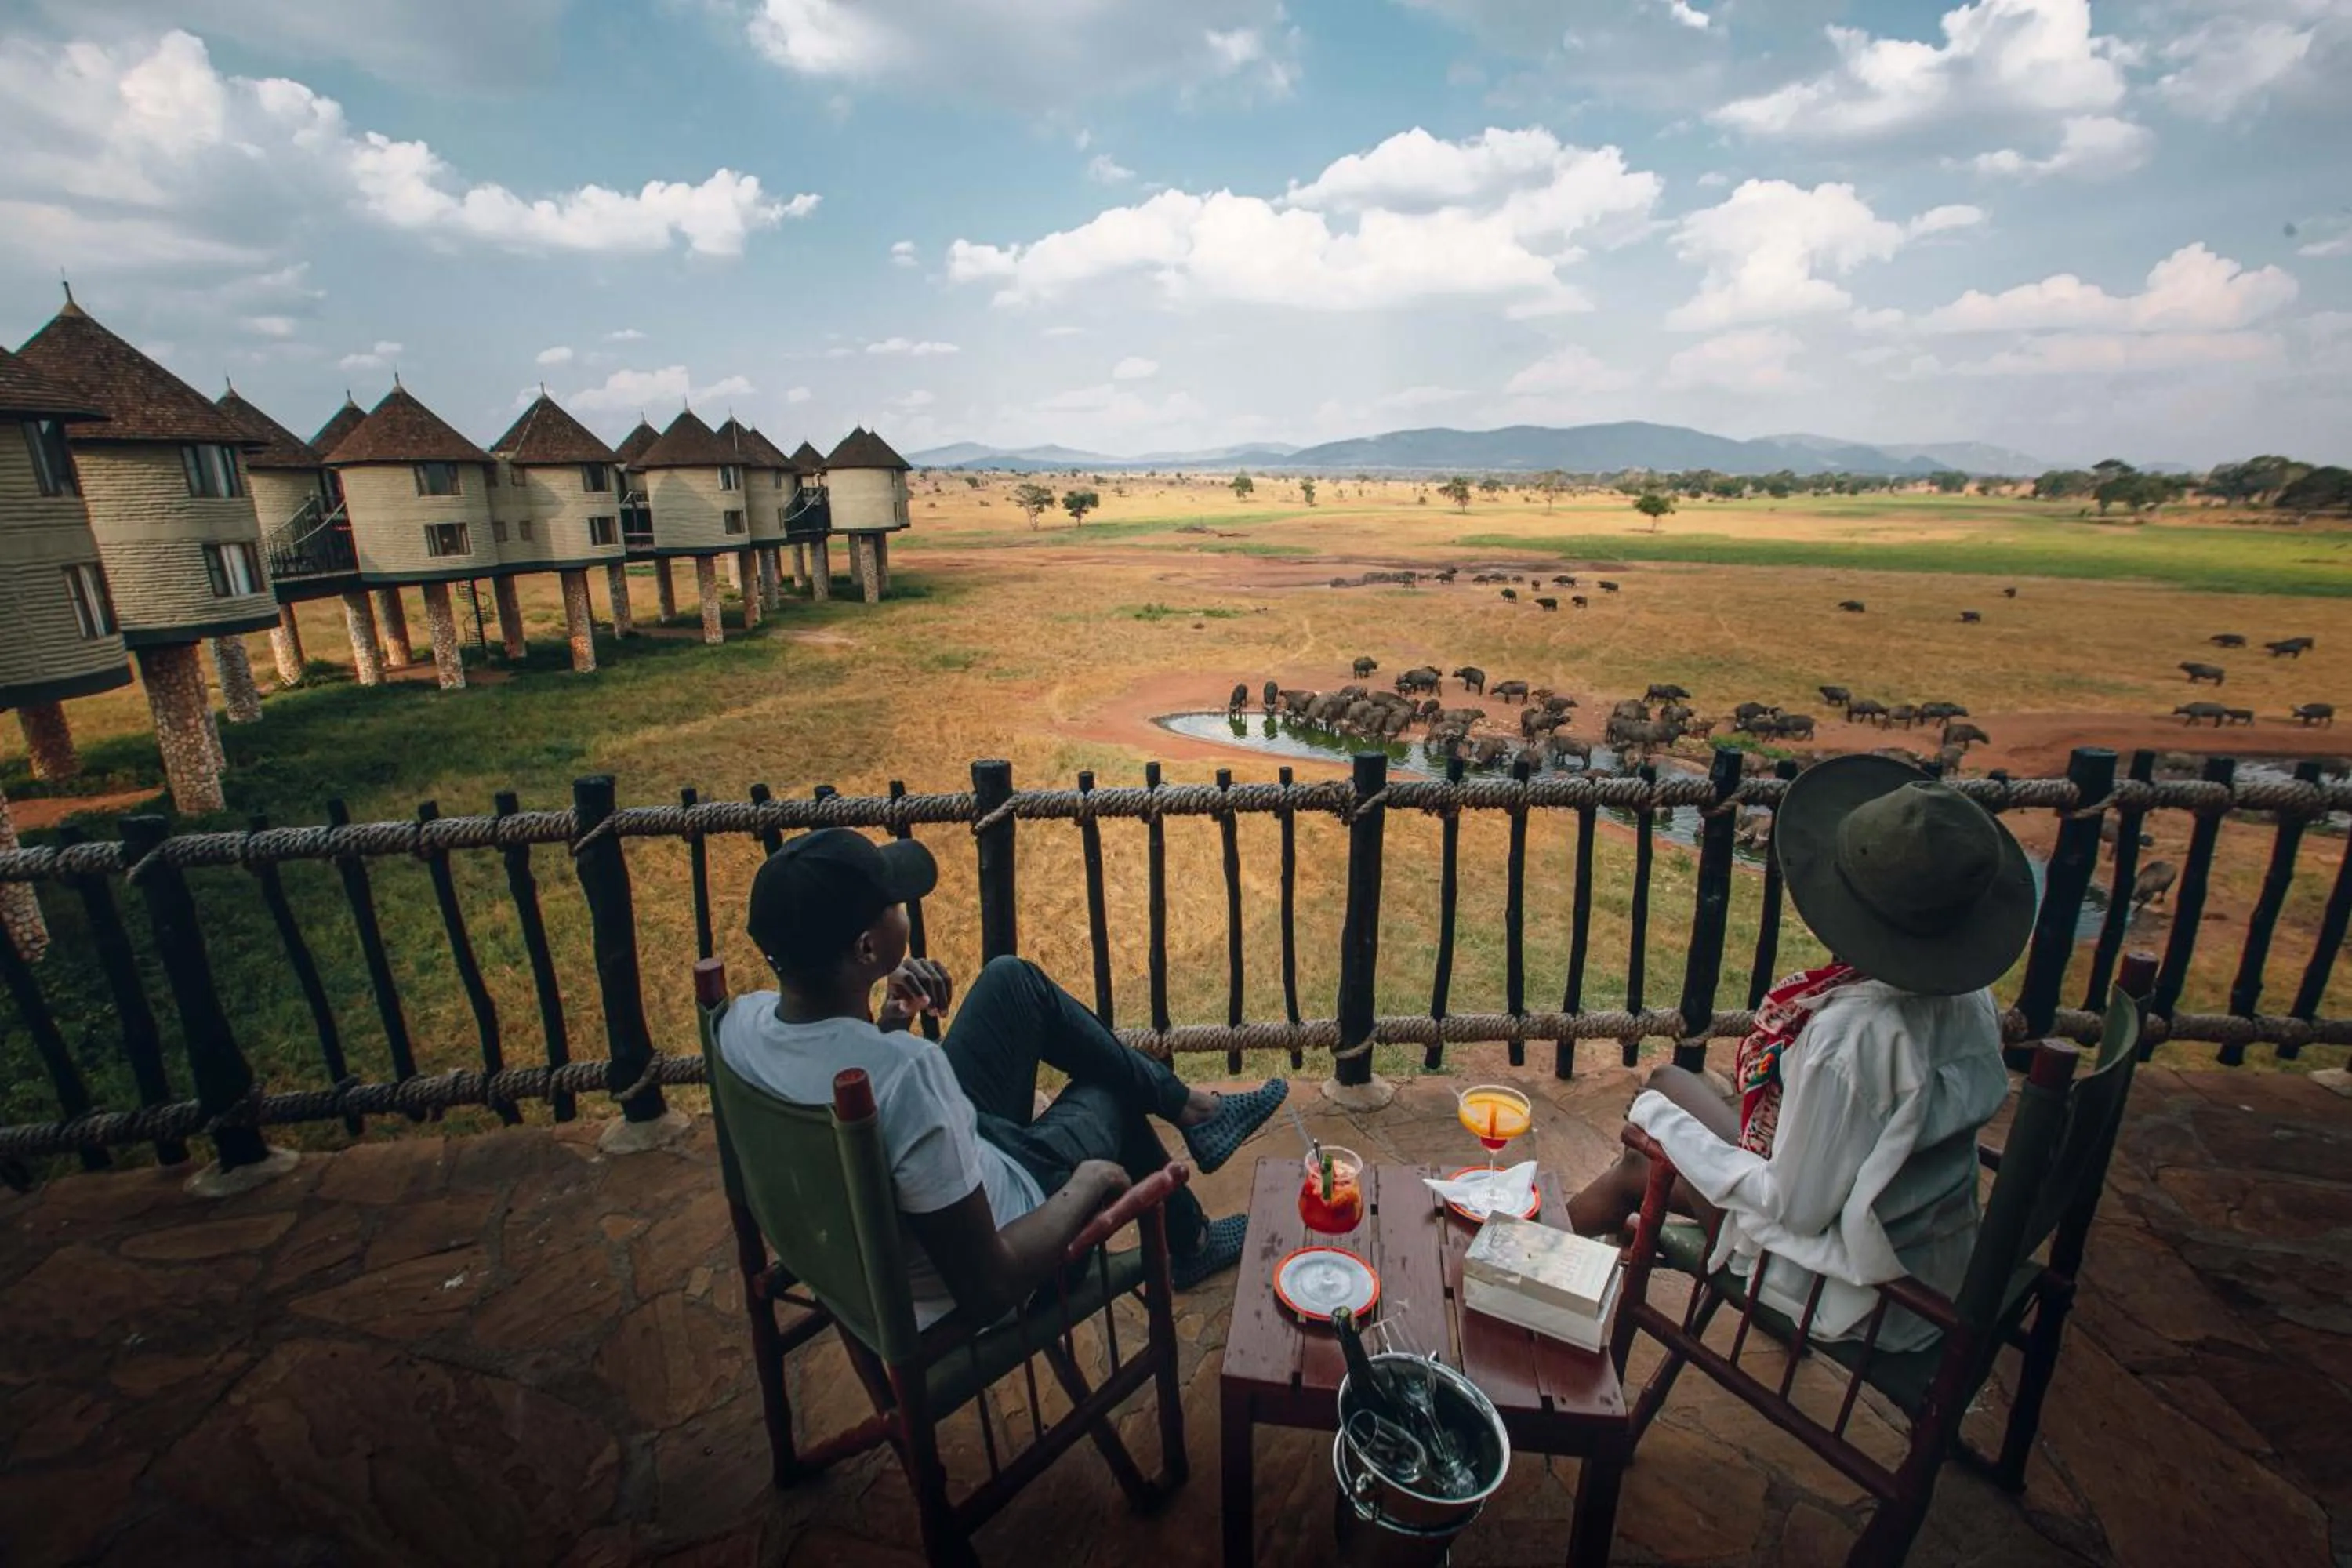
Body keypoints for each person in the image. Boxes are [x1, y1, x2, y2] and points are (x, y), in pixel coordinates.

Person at [717, 826, 1288, 1332]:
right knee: (1111, 1089)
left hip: (920, 1202)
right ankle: (1190, 1228)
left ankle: (1195, 1113)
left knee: (1010, 980)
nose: (903, 906)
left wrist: (887, 1024)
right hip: (1006, 1233)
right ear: (868, 947)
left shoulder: (739, 1025)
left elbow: (849, 1077)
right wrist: (1086, 1184)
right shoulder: (906, 1078)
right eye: (893, 902)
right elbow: (991, 1286)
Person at [1566, 755, 2036, 1349]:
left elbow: (1792, 1208)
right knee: (1660, 1104)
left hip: (1851, 1283)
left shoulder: (1854, 1035)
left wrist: (1658, 1127)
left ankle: (1518, 1246)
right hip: (1928, 1247)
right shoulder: (1969, 996)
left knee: (1651, 1129)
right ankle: (1542, 1233)